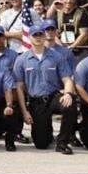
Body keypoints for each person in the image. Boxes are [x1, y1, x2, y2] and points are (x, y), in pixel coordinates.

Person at [12, 21, 78, 154]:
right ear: (29, 37)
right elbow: (19, 87)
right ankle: (47, 133)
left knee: (70, 106)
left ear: (44, 36)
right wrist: (25, 112)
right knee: (41, 143)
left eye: (40, 34)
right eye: (35, 35)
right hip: (36, 101)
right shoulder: (21, 60)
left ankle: (62, 142)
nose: (38, 37)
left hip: (54, 96)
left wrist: (68, 94)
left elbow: (67, 79)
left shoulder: (57, 56)